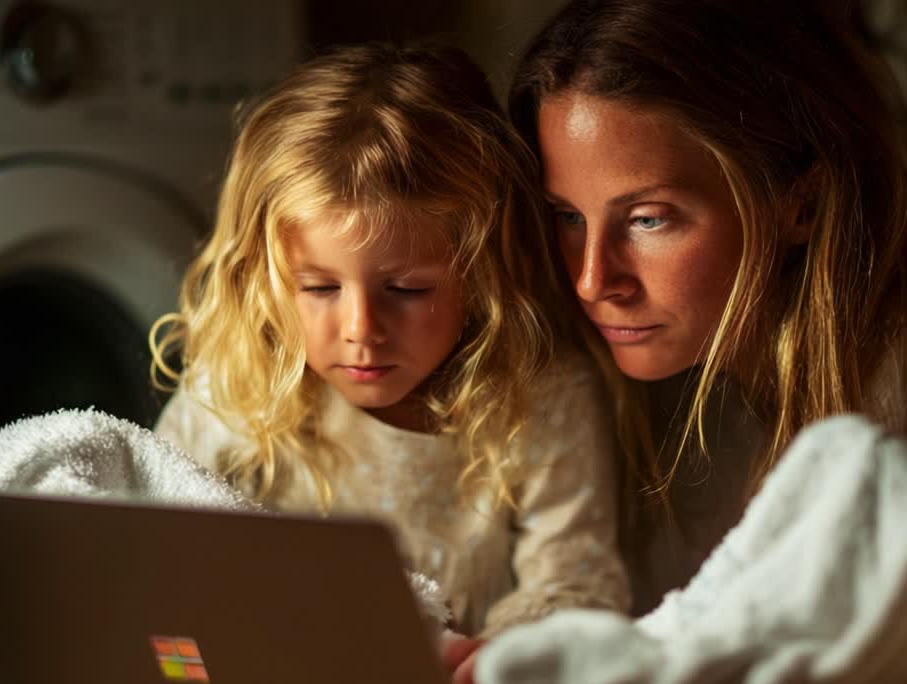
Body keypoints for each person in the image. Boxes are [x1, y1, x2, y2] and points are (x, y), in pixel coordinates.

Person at [500, 0, 907, 684]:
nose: (594, 279)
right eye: (566, 217)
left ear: (800, 202)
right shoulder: (640, 391)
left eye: (650, 218)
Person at [148, 43, 630, 649]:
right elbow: (153, 557)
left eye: (405, 289)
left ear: (481, 275)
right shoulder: (237, 384)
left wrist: (476, 664)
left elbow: (577, 589)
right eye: (319, 287)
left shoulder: (541, 398)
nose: (361, 329)